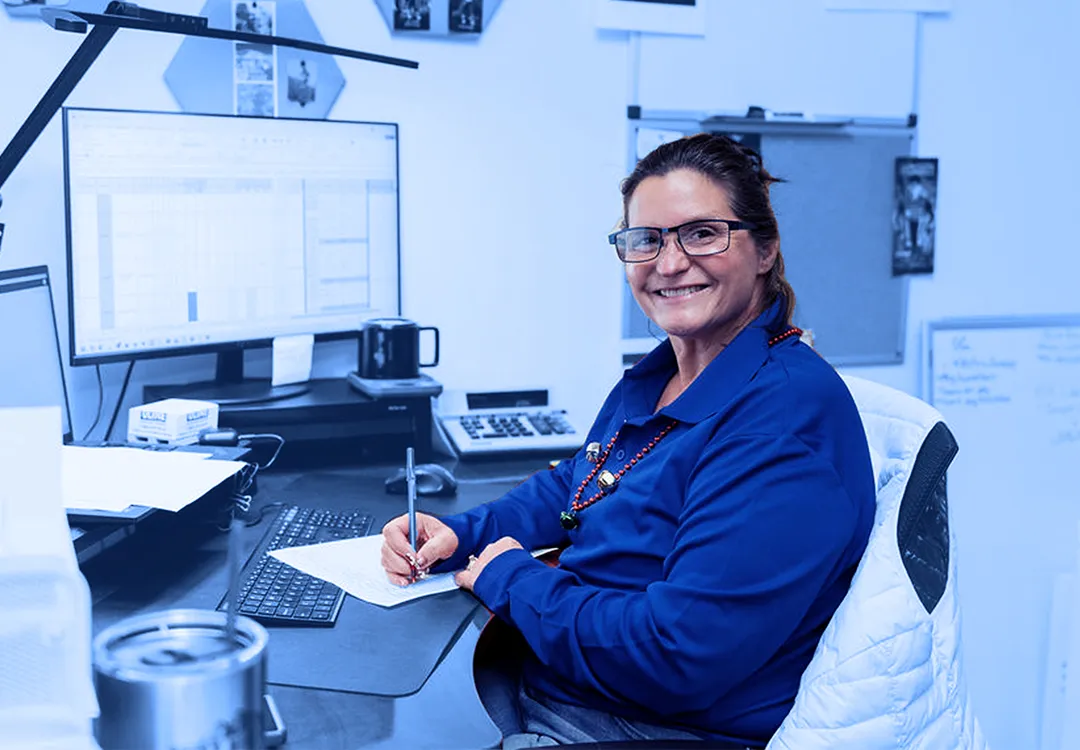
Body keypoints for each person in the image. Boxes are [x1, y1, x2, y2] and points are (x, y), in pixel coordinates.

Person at [381, 133, 876, 748]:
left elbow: (677, 656)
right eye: (646, 240)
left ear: (765, 249)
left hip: (647, 726)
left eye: (702, 234)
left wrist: (510, 577)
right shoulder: (666, 374)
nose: (668, 264)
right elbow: (585, 482)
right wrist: (464, 534)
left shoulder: (782, 422)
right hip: (567, 677)